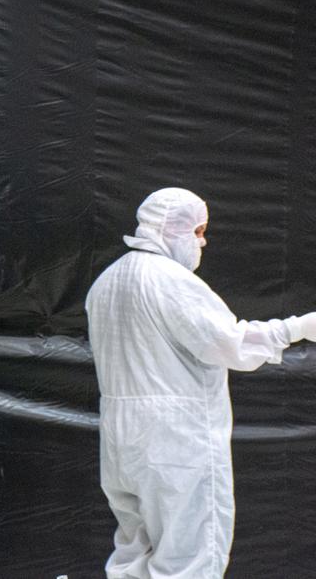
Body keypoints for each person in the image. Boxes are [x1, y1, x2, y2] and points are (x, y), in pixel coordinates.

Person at [85, 187, 316, 578]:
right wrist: (297, 328)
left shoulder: (106, 282)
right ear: (170, 228)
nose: (202, 242)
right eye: (197, 231)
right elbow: (230, 344)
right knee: (189, 559)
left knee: (133, 553)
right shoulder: (169, 281)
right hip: (174, 441)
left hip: (121, 441)